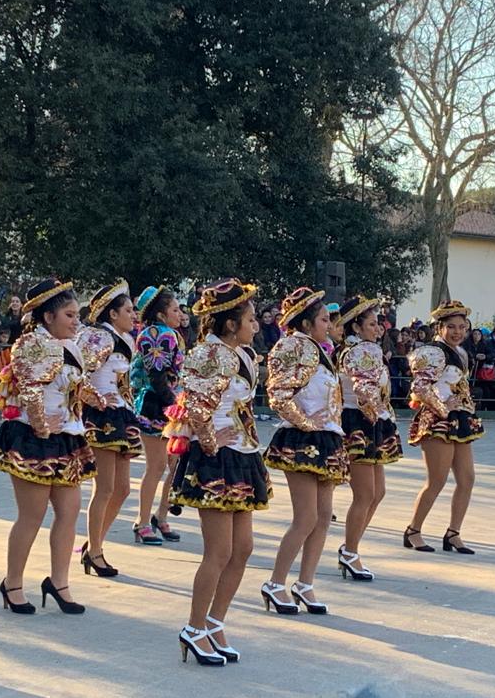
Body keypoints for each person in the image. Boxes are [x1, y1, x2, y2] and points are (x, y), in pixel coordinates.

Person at [166, 279, 270, 665]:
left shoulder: (240, 352)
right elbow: (191, 404)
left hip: (241, 453)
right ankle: (192, 628)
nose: (256, 324)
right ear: (230, 323)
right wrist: (211, 440)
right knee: (219, 550)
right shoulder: (209, 353)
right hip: (217, 458)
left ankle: (213, 622)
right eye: (250, 318)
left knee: (243, 549)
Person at [0, 279, 95, 616]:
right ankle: (13, 583)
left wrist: (99, 399)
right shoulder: (31, 344)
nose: (76, 320)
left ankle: (59, 582)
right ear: (48, 316)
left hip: (66, 436)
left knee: (69, 512)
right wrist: (41, 424)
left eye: (77, 314)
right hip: (35, 437)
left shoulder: (72, 345)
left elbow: (77, 386)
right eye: (69, 314)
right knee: (31, 516)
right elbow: (31, 389)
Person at [261, 287, 347, 615]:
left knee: (323, 516)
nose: (330, 324)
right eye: (325, 319)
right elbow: (278, 394)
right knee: (306, 517)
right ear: (307, 323)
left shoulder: (319, 349)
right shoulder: (294, 346)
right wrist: (306, 424)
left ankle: (305, 584)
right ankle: (275, 583)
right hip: (301, 438)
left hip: (326, 437)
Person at [404, 300, 482, 554]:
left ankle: (453, 533)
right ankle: (413, 530)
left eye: (462, 327)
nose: (458, 332)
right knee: (436, 481)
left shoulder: (461, 353)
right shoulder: (432, 352)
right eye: (451, 327)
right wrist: (444, 409)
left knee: (467, 479)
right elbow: (420, 389)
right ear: (439, 328)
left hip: (459, 420)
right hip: (438, 420)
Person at [77, 279, 142, 578]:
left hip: (122, 416)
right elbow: (79, 375)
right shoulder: (100, 337)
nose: (134, 314)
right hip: (102, 416)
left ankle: (94, 543)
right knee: (104, 488)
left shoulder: (124, 338)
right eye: (128, 309)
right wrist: (97, 399)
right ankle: (95, 552)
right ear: (112, 314)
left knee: (123, 488)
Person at [336, 295, 402, 582]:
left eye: (378, 323)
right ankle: (350, 552)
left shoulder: (364, 349)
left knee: (377, 493)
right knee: (364, 494)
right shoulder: (363, 351)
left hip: (369, 419)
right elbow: (365, 390)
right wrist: (378, 412)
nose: (379, 329)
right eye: (373, 323)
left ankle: (351, 547)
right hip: (360, 421)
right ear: (357, 327)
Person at [129, 286, 185, 545]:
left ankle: (161, 516)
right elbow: (157, 377)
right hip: (155, 404)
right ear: (161, 314)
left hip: (170, 404)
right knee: (157, 466)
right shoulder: (156, 334)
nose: (180, 313)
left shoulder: (171, 333)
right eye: (175, 309)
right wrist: (175, 406)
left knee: (174, 465)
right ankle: (141, 522)